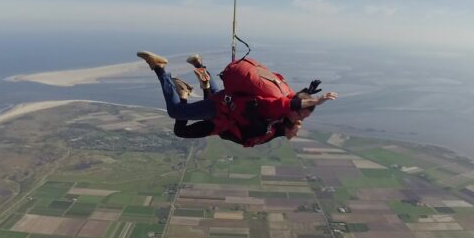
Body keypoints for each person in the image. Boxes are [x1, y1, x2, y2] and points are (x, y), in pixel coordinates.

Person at [136, 51, 336, 146]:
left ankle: (199, 69)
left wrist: (308, 94)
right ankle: (160, 69)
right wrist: (315, 101)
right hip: (223, 114)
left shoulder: (277, 122)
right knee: (176, 112)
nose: (299, 125)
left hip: (225, 111)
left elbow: (288, 103)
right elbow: (281, 104)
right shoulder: (274, 115)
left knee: (210, 100)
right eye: (300, 119)